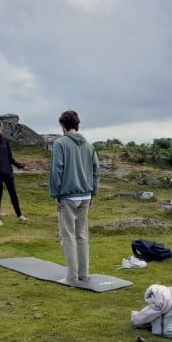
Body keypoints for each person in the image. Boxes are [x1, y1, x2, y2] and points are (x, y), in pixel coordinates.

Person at [48, 110, 100, 284]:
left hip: (68, 196)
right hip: (85, 195)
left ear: (62, 125)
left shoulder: (60, 143)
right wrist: (93, 193)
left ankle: (71, 277)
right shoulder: (89, 145)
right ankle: (83, 274)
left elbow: (57, 170)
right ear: (77, 124)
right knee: (82, 235)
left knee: (68, 236)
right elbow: (96, 171)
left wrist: (55, 193)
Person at [0, 119, 28, 226]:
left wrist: (19, 165)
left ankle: (20, 215)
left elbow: (10, 158)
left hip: (7, 171)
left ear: (0, 128)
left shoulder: (5, 140)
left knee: (13, 194)